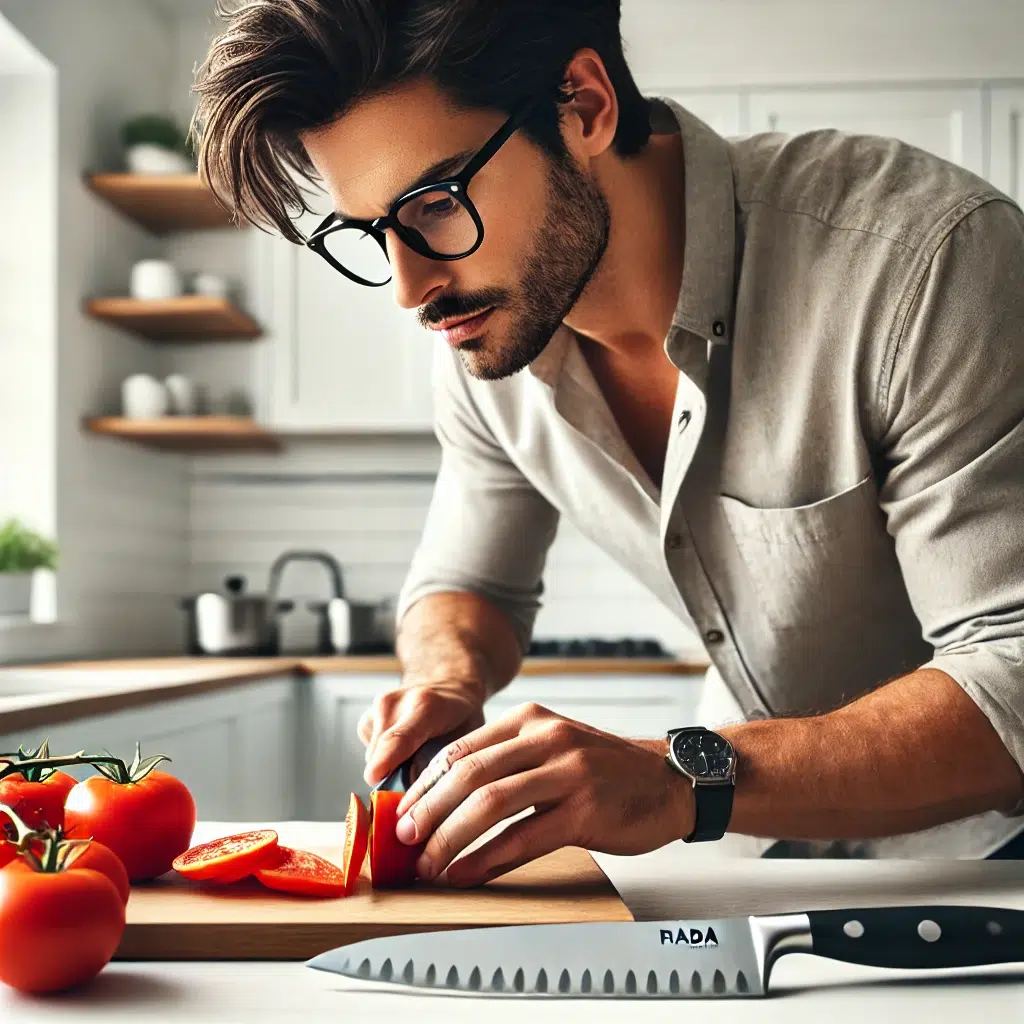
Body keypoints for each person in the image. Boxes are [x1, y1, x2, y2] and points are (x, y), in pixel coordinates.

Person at [191, 0, 1024, 882]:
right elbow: (467, 585)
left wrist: (677, 778)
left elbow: (1014, 674)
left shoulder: (925, 264)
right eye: (370, 232)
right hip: (747, 850)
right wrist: (445, 681)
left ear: (582, 105)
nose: (409, 288)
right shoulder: (489, 329)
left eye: (434, 204)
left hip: (984, 861)